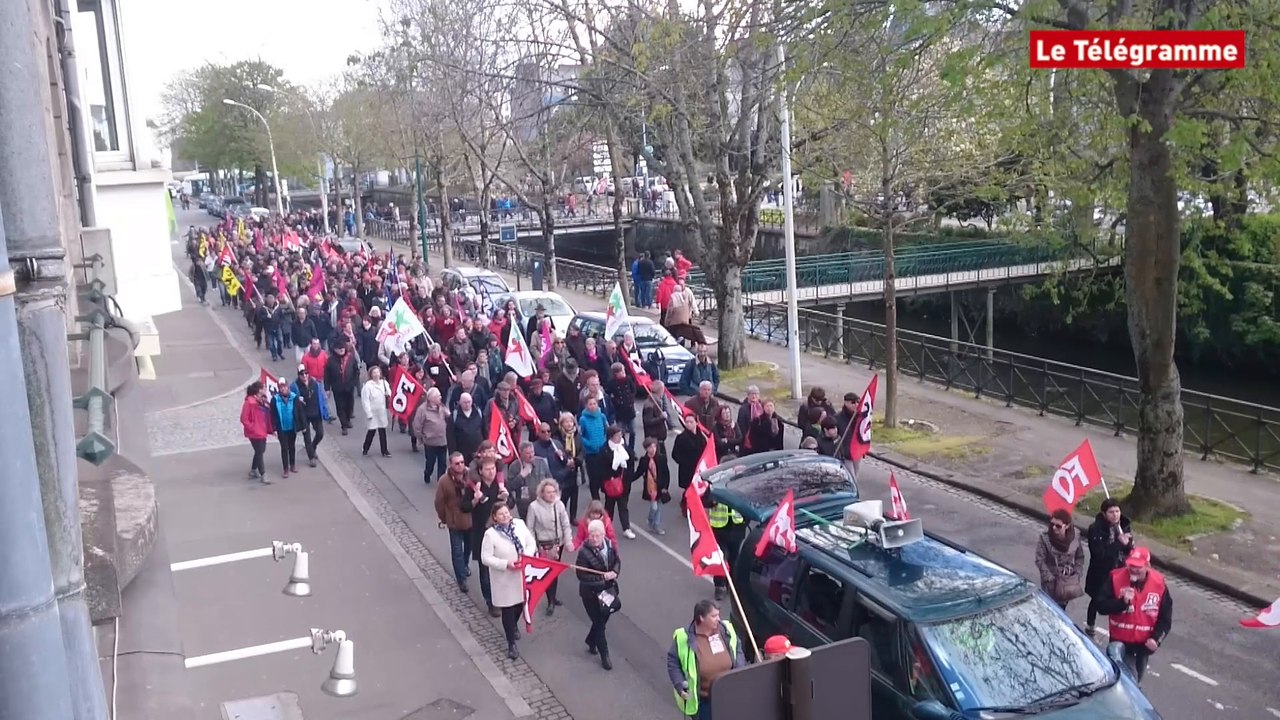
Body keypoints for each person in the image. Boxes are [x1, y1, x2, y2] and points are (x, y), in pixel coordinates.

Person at [1095, 547, 1171, 683]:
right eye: (1131, 565)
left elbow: (1165, 618)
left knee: (1136, 680)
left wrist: (1156, 639)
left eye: (1138, 566)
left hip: (1143, 646)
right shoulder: (1115, 578)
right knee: (1127, 682)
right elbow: (1100, 606)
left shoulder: (1159, 585)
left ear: (1147, 566)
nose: (1133, 569)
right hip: (1119, 644)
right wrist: (1121, 603)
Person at [667, 600, 747, 720]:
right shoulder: (683, 637)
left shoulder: (726, 629)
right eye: (714, 616)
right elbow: (673, 663)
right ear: (701, 618)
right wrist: (680, 684)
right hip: (704, 701)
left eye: (718, 615)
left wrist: (740, 669)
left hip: (729, 694)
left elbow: (737, 648)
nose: (718, 619)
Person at [480, 502, 536, 660]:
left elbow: (531, 543)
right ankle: (511, 642)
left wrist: (525, 557)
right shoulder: (490, 534)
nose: (505, 515)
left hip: (520, 574)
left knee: (519, 604)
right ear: (495, 518)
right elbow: (486, 558)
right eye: (501, 514)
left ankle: (513, 626)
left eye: (506, 512)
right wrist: (505, 564)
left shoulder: (519, 524)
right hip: (504, 578)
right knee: (508, 609)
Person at [462, 460, 509, 616]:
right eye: (487, 469)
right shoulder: (476, 486)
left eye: (493, 468)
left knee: (501, 566)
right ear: (481, 471)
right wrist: (475, 499)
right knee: (485, 569)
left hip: (501, 533)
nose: (491, 472)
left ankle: (501, 597)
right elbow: (465, 507)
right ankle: (490, 602)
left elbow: (511, 504)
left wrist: (506, 498)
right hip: (481, 533)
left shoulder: (500, 484)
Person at [576, 518, 621, 670]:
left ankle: (590, 639)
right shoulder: (583, 552)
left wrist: (614, 572)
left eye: (597, 535)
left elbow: (616, 561)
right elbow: (581, 575)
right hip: (590, 594)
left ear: (603, 534)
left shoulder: (609, 545)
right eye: (592, 536)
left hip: (607, 590)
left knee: (603, 617)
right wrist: (602, 577)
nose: (594, 539)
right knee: (599, 623)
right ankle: (604, 655)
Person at [1085, 498, 1134, 635]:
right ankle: (1090, 625)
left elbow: (1130, 550)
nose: (1115, 515)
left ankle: (1121, 627)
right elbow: (1099, 554)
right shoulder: (1095, 529)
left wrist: (1128, 543)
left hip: (1120, 570)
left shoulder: (1124, 526)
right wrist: (1118, 543)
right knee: (1096, 599)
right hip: (1101, 572)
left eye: (1117, 511)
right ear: (1104, 514)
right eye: (1111, 512)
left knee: (1121, 600)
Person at [525, 479, 573, 615]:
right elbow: (530, 528)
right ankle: (550, 599)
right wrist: (533, 547)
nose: (551, 495)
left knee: (554, 571)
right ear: (542, 493)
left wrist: (568, 541)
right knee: (547, 573)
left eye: (553, 492)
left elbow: (565, 524)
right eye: (548, 492)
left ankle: (552, 597)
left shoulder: (559, 505)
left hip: (558, 544)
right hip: (543, 546)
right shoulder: (534, 507)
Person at [434, 452, 474, 592]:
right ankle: (461, 579)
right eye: (457, 463)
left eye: (462, 462)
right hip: (454, 521)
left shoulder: (470, 475)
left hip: (469, 519)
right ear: (451, 464)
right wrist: (444, 518)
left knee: (469, 546)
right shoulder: (444, 481)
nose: (460, 465)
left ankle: (464, 565)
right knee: (457, 551)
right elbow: (439, 502)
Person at [1035, 509, 1086, 610]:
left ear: (1067, 526)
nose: (1054, 528)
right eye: (1052, 524)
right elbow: (1040, 560)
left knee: (1061, 608)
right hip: (1050, 582)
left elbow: (1079, 556)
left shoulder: (1075, 536)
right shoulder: (1045, 538)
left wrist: (1077, 573)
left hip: (1067, 580)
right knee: (1049, 609)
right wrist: (1049, 578)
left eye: (1058, 526)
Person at [601, 425, 634, 539]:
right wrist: (608, 478)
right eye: (617, 435)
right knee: (609, 507)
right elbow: (601, 467)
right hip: (610, 483)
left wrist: (628, 478)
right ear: (611, 436)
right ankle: (606, 528)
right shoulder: (604, 449)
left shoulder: (624, 447)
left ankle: (626, 528)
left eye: (621, 434)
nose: (620, 437)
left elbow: (630, 462)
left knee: (623, 506)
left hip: (623, 482)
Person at [672, 413, 708, 516]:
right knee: (689, 489)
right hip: (687, 469)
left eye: (691, 422)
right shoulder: (681, 438)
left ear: (696, 423)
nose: (688, 424)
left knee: (697, 489)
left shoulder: (701, 436)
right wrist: (684, 462)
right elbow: (675, 454)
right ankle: (685, 506)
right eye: (687, 422)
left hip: (698, 468)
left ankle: (695, 507)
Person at [412, 387, 450, 484]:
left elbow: (448, 416)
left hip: (442, 440)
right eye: (438, 396)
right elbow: (417, 425)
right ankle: (427, 474)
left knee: (442, 463)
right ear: (431, 398)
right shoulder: (422, 409)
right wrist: (421, 437)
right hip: (430, 442)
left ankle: (440, 482)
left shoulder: (441, 407)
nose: (440, 398)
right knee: (430, 462)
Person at [269, 377, 305, 478]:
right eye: (281, 387)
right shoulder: (274, 400)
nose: (283, 389)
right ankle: (285, 469)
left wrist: (302, 426)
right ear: (279, 389)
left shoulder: (294, 398)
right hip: (281, 428)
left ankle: (292, 465)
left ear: (288, 387)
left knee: (292, 446)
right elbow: (272, 415)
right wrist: (274, 428)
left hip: (292, 426)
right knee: (284, 448)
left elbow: (300, 412)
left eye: (284, 386)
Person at [635, 437, 671, 534]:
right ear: (646, 448)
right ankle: (651, 520)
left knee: (657, 507)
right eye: (650, 447)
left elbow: (666, 473)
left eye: (654, 446)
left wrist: (665, 487)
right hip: (650, 487)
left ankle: (656, 525)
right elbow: (639, 472)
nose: (653, 449)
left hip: (659, 486)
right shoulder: (644, 460)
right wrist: (629, 479)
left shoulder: (661, 458)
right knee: (654, 507)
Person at [506, 442, 551, 518]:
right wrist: (521, 476)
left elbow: (550, 481)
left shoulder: (541, 462)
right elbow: (510, 487)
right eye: (527, 453)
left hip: (541, 502)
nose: (531, 455)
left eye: (532, 452)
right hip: (524, 506)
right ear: (520, 453)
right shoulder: (514, 466)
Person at [292, 365, 326, 467]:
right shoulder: (294, 386)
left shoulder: (314, 383)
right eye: (302, 374)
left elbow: (321, 397)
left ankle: (313, 446)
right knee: (307, 437)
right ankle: (311, 457)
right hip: (304, 415)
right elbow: (292, 401)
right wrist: (298, 400)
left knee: (320, 433)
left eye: (306, 373)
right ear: (299, 375)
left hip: (315, 412)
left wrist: (324, 411)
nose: (305, 376)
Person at [325, 342, 360, 435]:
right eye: (339, 348)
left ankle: (348, 419)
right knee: (340, 407)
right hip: (337, 388)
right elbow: (327, 375)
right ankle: (343, 425)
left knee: (349, 406)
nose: (341, 350)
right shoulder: (330, 360)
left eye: (342, 348)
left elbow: (356, 371)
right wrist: (327, 388)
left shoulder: (350, 358)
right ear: (335, 350)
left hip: (349, 387)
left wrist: (354, 383)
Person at [240, 381, 272, 484]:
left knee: (261, 450)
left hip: (261, 430)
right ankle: (263, 474)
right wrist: (252, 427)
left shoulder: (262, 400)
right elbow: (244, 418)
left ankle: (254, 470)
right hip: (254, 432)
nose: (265, 389)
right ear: (259, 390)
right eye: (264, 388)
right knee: (260, 451)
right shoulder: (249, 402)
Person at [553, 413, 584, 520]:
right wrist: (566, 461)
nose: (569, 424)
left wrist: (576, 461)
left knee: (575, 494)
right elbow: (557, 451)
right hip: (563, 468)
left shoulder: (577, 435)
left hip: (575, 468)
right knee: (564, 495)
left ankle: (573, 517)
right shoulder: (557, 437)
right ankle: (561, 517)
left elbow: (581, 450)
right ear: (562, 424)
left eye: (571, 421)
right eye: (566, 422)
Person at [579, 396, 609, 500]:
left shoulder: (602, 416)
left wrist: (604, 442)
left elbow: (606, 431)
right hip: (590, 453)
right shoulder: (583, 419)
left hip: (602, 452)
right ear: (586, 406)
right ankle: (596, 500)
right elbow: (580, 436)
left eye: (594, 403)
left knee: (603, 476)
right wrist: (589, 444)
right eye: (590, 404)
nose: (592, 406)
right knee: (593, 478)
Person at [360, 365, 392, 457]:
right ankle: (366, 447)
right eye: (374, 372)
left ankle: (384, 450)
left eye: (378, 372)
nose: (376, 374)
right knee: (371, 431)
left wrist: (388, 394)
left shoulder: (384, 383)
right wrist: (368, 413)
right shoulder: (368, 386)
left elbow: (389, 392)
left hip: (381, 410)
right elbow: (365, 400)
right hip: (373, 411)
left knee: (382, 430)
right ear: (371, 374)